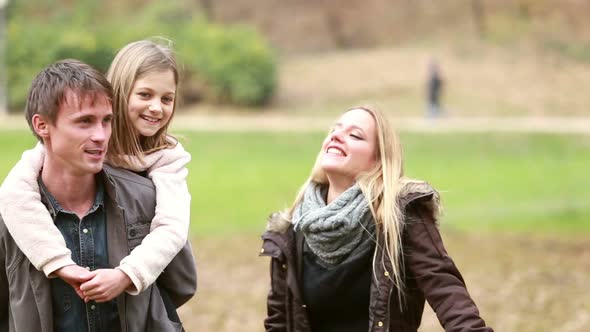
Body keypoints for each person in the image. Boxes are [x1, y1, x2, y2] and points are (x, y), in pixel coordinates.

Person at [0, 59, 196, 331]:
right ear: (42, 126)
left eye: (107, 121)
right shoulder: (12, 210)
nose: (101, 135)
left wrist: (130, 282)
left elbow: (181, 285)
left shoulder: (148, 196)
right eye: (85, 122)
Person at [260, 106, 493, 331]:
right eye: (334, 130)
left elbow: (445, 290)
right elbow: (279, 323)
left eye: (354, 135)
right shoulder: (292, 229)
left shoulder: (400, 214)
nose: (337, 136)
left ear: (377, 162)